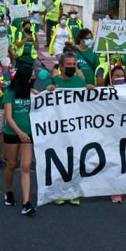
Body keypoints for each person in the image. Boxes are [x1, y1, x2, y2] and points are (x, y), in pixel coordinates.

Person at [44, 52, 87, 206]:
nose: (71, 68)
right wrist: (47, 90)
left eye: (74, 65)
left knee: (75, 160)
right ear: (61, 67)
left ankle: (73, 192)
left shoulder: (80, 82)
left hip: (76, 128)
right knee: (59, 160)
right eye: (68, 65)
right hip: (58, 129)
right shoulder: (54, 81)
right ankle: (58, 192)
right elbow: (42, 103)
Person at [2, 64, 37, 215]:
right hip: (12, 133)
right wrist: (19, 132)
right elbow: (8, 117)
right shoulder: (10, 92)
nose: (34, 77)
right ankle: (9, 191)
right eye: (32, 75)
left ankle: (26, 203)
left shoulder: (31, 92)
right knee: (11, 163)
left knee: (26, 166)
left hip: (28, 134)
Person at [108, 64, 126, 204]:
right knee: (112, 161)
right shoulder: (104, 92)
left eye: (121, 76)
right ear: (110, 78)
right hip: (109, 132)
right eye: (116, 76)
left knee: (123, 160)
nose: (119, 78)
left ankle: (118, 190)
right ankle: (113, 189)